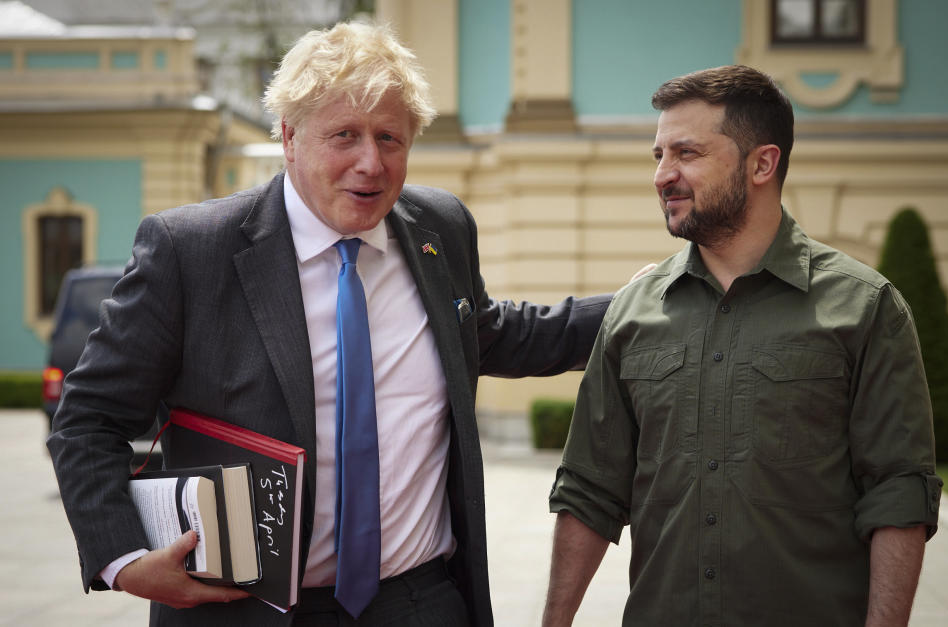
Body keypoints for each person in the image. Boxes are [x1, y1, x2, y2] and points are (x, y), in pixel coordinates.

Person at [47, 21, 613, 627]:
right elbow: (89, 417)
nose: (371, 163)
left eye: (390, 138)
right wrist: (124, 558)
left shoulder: (440, 228)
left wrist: (649, 300)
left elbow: (494, 335)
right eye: (345, 135)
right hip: (249, 610)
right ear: (289, 138)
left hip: (419, 602)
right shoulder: (191, 252)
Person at [542, 65, 943, 627]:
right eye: (657, 155)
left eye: (686, 153)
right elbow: (589, 489)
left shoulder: (864, 308)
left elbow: (897, 492)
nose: (663, 175)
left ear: (762, 163)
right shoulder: (632, 313)